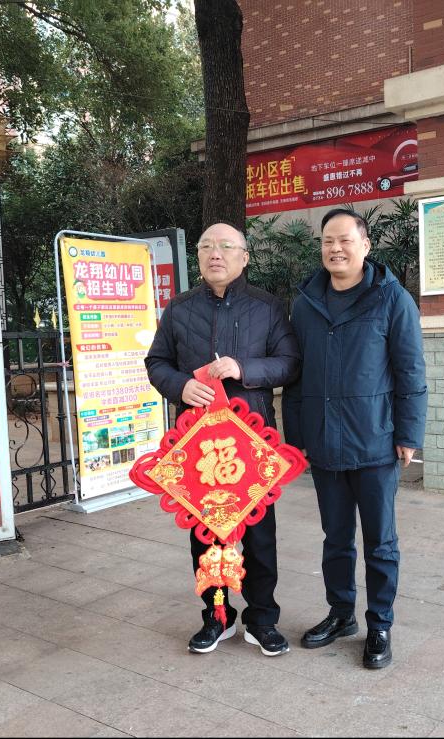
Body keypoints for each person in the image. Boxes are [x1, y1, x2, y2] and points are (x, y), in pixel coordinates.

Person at [145, 222, 300, 657]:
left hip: (252, 442)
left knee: (259, 536)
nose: (216, 254)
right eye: (207, 246)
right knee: (207, 536)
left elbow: (289, 363)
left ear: (244, 257)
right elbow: (156, 362)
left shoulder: (267, 307)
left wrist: (243, 369)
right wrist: (180, 386)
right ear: (198, 256)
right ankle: (217, 616)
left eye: (226, 246)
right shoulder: (179, 309)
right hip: (199, 444)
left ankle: (262, 618)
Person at [283, 208, 427, 669]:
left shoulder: (391, 298)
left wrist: (409, 433)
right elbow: (296, 375)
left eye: (345, 240)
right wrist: (296, 436)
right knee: (336, 538)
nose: (335, 249)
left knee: (380, 541)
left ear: (365, 245)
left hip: (375, 442)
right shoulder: (307, 302)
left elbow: (410, 371)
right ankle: (341, 613)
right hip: (324, 441)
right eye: (328, 241)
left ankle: (379, 624)